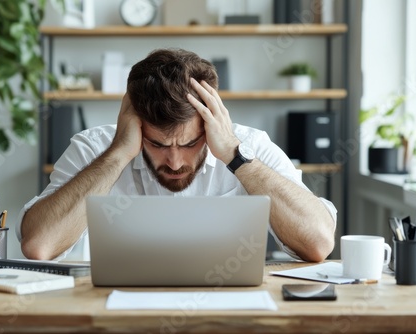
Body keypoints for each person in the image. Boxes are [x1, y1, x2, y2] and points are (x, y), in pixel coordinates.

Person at [17, 48, 336, 262]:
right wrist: (118, 154)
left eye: (188, 143)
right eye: (156, 144)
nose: (174, 162)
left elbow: (319, 243)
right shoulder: (95, 148)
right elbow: (38, 245)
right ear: (136, 123)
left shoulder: (251, 146)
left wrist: (236, 158)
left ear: (213, 121)